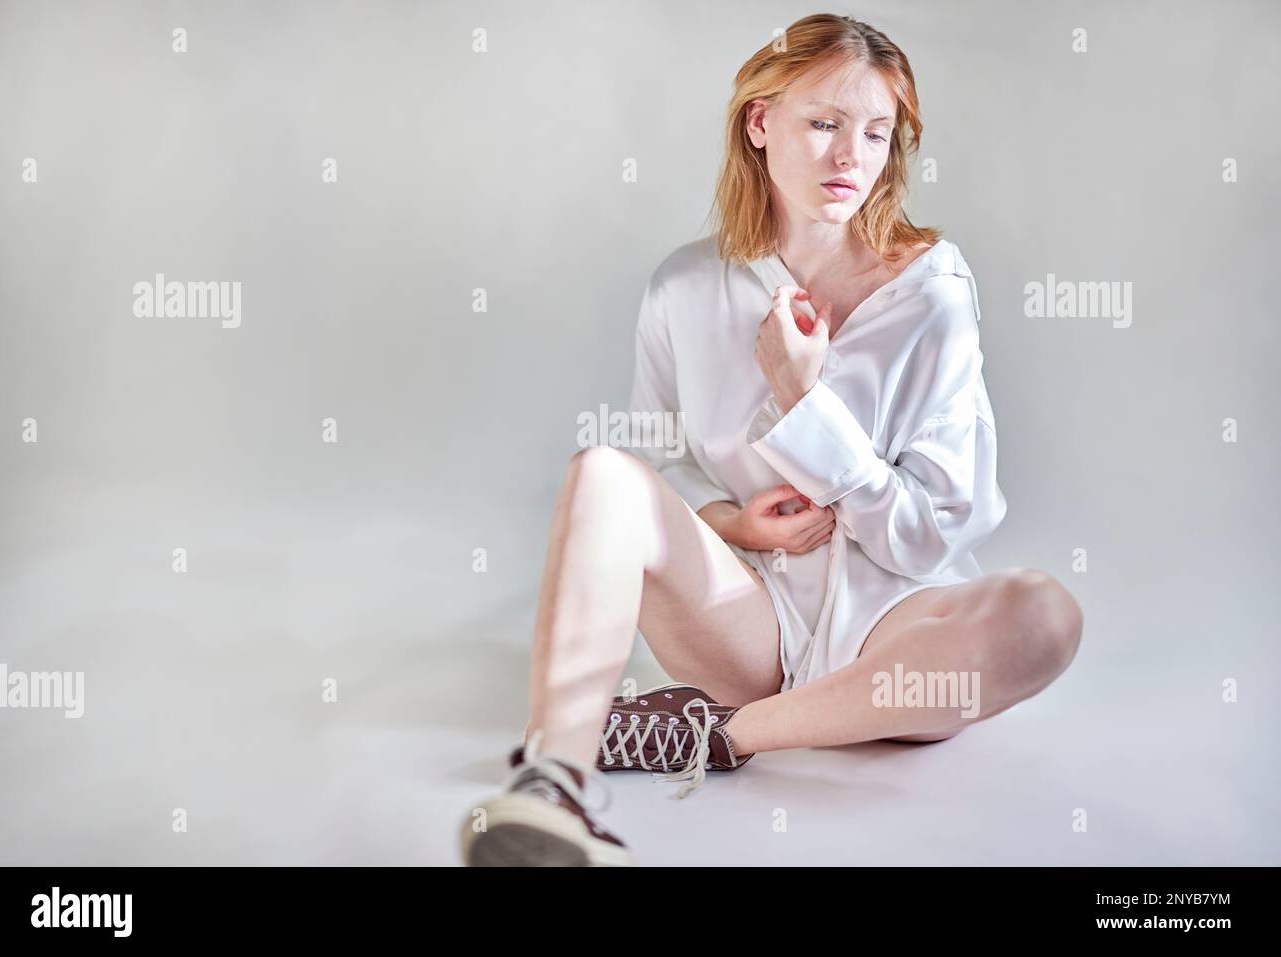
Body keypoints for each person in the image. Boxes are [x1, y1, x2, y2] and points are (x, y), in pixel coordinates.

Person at [459, 13, 1083, 867]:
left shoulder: (932, 293)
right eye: (823, 123)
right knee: (601, 472)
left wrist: (801, 395)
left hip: (896, 631)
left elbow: (930, 530)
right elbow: (661, 468)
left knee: (1043, 617)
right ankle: (550, 784)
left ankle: (714, 736)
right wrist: (732, 522)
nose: (850, 157)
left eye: (874, 132)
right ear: (761, 123)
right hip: (746, 624)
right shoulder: (683, 285)